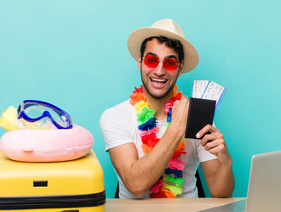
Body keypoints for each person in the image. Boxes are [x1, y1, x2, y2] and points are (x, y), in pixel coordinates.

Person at [100, 19, 234, 198]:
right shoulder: (115, 116)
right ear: (140, 63)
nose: (159, 71)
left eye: (170, 63)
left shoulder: (197, 116)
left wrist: (225, 161)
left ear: (180, 68)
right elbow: (135, 184)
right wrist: (177, 127)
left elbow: (220, 192)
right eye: (151, 60)